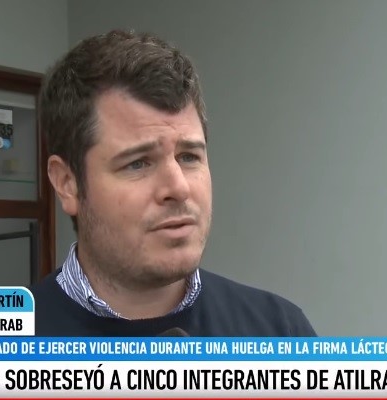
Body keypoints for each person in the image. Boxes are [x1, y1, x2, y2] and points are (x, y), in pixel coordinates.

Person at [31, 29, 316, 337]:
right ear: (67, 183)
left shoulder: (280, 331)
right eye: (138, 163)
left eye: (189, 157)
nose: (179, 188)